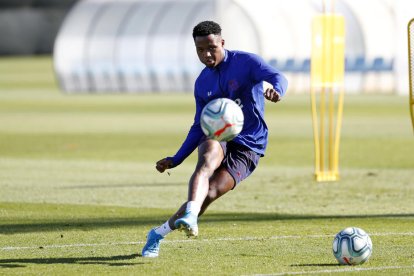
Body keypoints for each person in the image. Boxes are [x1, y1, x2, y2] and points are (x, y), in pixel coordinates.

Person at [141, 20, 288, 257]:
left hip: (249, 144)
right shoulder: (202, 82)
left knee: (209, 194)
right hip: (218, 134)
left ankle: (158, 233)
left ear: (222, 42)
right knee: (207, 159)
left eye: (212, 47)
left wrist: (278, 90)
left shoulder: (246, 62)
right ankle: (191, 213)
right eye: (200, 50)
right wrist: (177, 158)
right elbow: (199, 125)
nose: (207, 54)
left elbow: (277, 75)